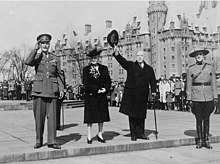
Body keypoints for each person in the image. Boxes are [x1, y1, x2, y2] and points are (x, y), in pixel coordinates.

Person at [24, 33, 64, 149]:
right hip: (39, 91)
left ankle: (52, 141)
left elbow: (59, 75)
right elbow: (27, 62)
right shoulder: (37, 57)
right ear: (39, 44)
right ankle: (39, 140)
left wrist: (61, 88)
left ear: (49, 44)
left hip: (52, 90)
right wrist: (35, 50)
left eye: (47, 43)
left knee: (52, 118)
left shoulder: (55, 58)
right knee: (39, 117)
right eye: (43, 43)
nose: (45, 45)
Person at [112, 47, 156, 141]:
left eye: (141, 56)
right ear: (136, 57)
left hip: (143, 95)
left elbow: (153, 80)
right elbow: (123, 62)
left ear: (144, 57)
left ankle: (141, 133)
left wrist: (154, 91)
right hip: (132, 94)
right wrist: (117, 54)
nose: (139, 57)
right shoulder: (131, 65)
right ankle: (134, 134)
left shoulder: (149, 69)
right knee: (132, 115)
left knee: (141, 115)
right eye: (138, 56)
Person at [186, 47, 218, 149]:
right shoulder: (191, 69)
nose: (199, 56)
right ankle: (200, 140)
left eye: (200, 54)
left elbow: (213, 83)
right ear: (195, 57)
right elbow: (189, 85)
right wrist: (189, 98)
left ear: (203, 56)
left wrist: (215, 96)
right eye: (197, 55)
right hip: (196, 97)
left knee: (207, 118)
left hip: (208, 96)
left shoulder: (210, 67)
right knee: (198, 118)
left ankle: (206, 140)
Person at [83, 48, 111, 144]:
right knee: (90, 117)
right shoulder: (86, 70)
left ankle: (100, 133)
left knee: (101, 116)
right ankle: (89, 135)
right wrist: (96, 89)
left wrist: (105, 89)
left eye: (95, 57)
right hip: (91, 96)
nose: (94, 59)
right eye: (92, 58)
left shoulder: (104, 68)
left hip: (101, 96)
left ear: (98, 58)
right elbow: (86, 83)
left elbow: (108, 80)